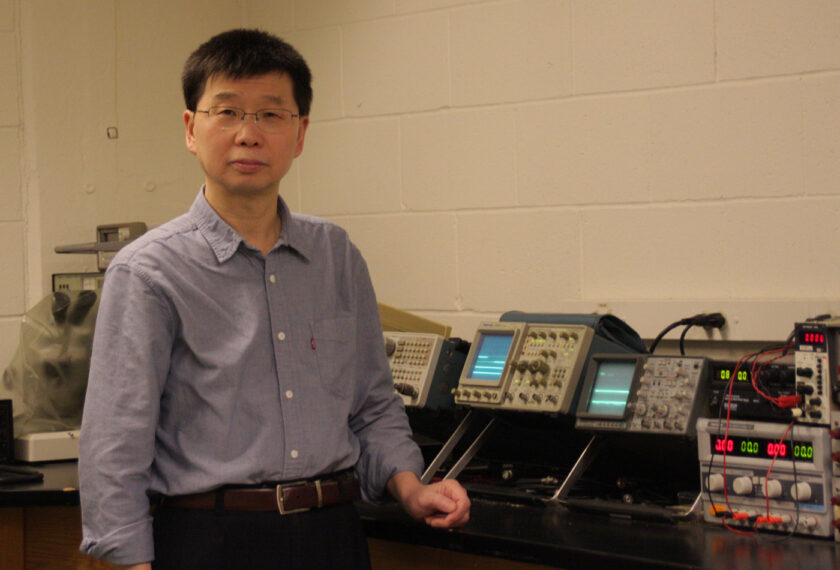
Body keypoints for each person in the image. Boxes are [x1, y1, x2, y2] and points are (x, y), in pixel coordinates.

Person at [78, 28, 470, 569]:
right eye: (227, 112)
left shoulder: (335, 254)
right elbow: (115, 445)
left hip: (332, 536)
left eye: (270, 114)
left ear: (300, 132)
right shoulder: (148, 272)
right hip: (209, 541)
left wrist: (411, 488)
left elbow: (373, 405)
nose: (248, 134)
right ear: (191, 129)